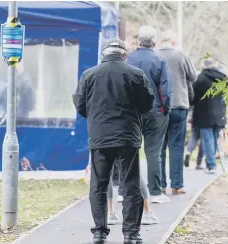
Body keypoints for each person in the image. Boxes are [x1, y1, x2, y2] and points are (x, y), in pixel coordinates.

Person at [73, 38, 155, 244]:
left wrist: (97, 118)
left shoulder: (88, 75)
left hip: (100, 136)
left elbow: (80, 105)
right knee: (130, 185)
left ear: (104, 55)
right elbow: (147, 103)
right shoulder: (135, 74)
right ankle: (131, 233)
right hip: (127, 136)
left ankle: (99, 232)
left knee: (99, 185)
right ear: (124, 55)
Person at [126, 25, 172, 203]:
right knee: (153, 151)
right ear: (154, 41)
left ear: (139, 41)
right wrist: (165, 109)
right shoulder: (160, 59)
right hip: (155, 111)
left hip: (131, 113)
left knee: (129, 151)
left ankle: (128, 190)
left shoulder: (128, 59)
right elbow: (165, 89)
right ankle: (155, 192)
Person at [156, 29, 196, 195]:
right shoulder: (181, 56)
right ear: (173, 42)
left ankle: (161, 185)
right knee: (177, 146)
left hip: (159, 106)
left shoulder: (155, 55)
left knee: (160, 148)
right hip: (179, 105)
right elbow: (193, 77)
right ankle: (177, 184)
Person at [192, 58, 227, 174]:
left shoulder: (200, 78)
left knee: (207, 140)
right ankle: (212, 163)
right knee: (214, 139)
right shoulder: (223, 78)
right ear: (215, 65)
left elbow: (193, 96)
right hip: (219, 114)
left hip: (204, 113)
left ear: (203, 65)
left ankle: (211, 165)